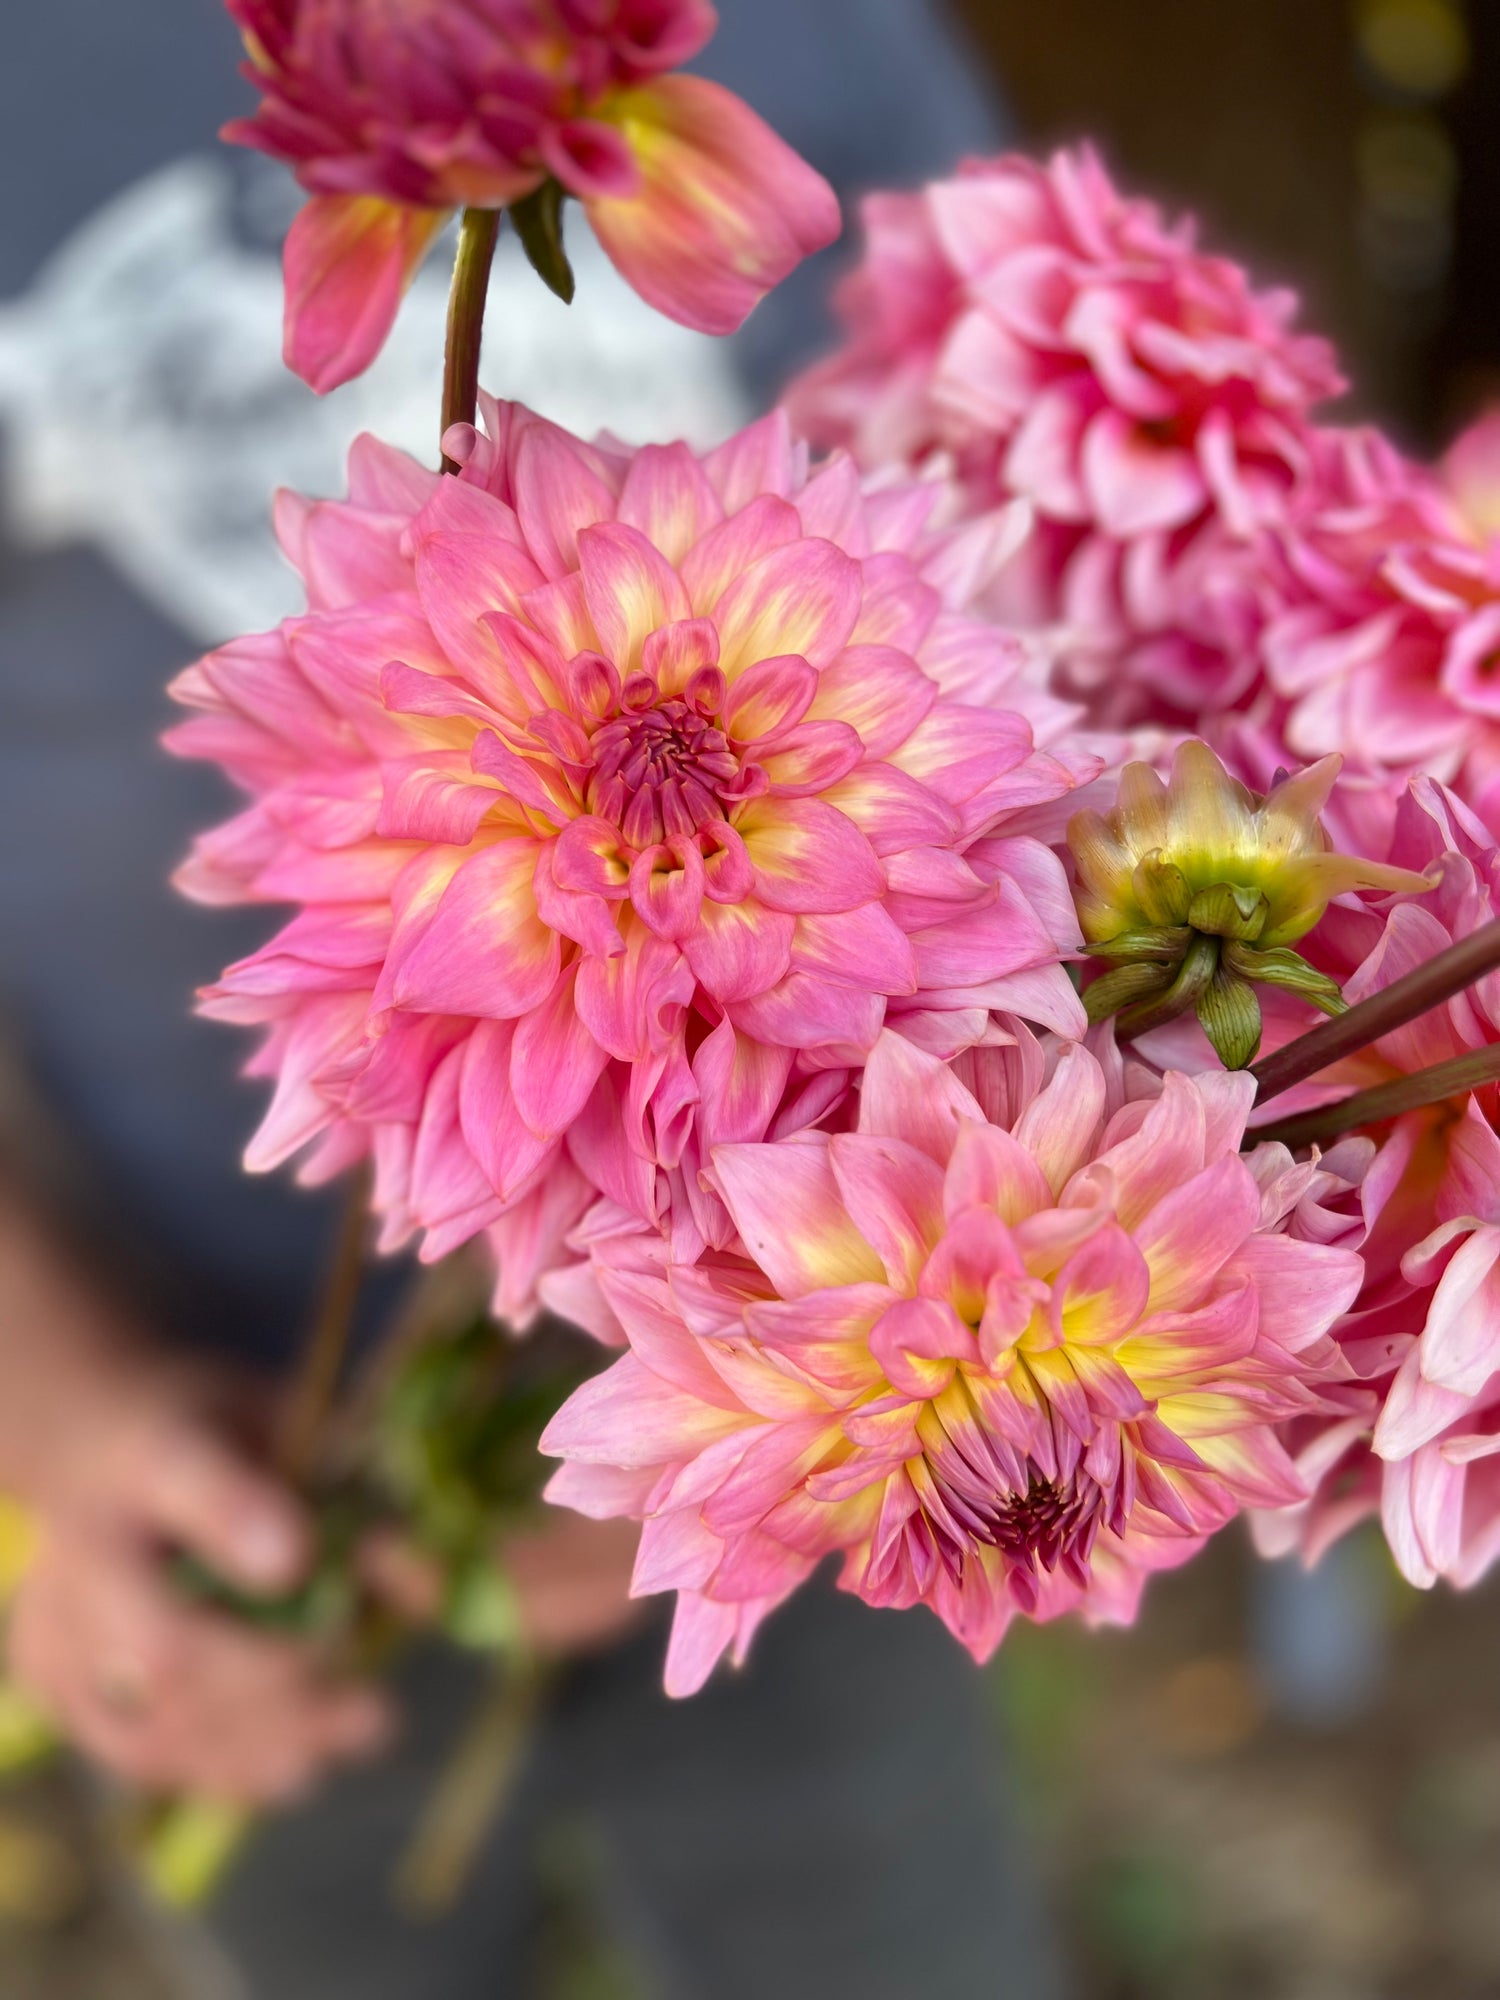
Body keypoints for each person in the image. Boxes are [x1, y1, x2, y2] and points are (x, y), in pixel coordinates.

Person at [0, 3, 1068, 1993]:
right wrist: (52, 1403)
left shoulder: (825, 50)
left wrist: (788, 1415)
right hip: (210, 1461)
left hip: (813, 1453)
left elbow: (1026, 661)